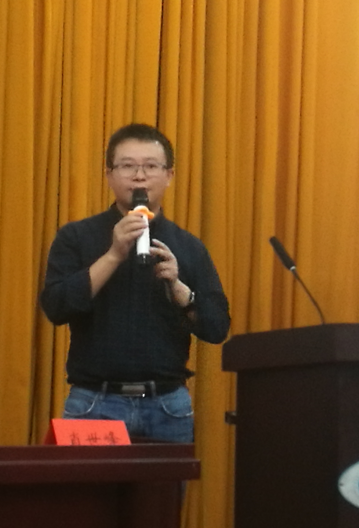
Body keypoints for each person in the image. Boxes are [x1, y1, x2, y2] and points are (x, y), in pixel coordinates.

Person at [40, 123, 230, 443]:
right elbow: (56, 307)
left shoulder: (188, 246)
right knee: (83, 480)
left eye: (151, 166)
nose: (139, 177)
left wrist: (179, 289)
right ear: (109, 174)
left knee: (166, 481)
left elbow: (217, 328)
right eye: (127, 166)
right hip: (93, 403)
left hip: (168, 407)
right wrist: (113, 255)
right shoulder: (76, 236)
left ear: (169, 175)